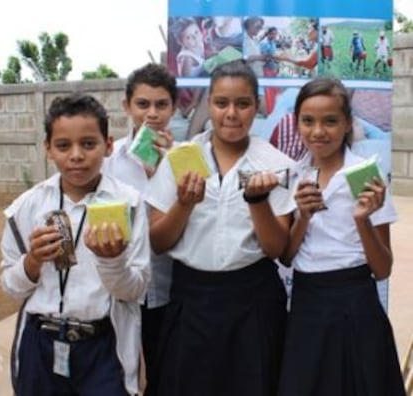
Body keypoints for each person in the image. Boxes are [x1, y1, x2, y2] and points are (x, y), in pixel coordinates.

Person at [145, 59, 296, 396]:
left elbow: (277, 249)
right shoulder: (180, 158)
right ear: (208, 103)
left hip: (252, 300)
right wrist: (183, 204)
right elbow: (157, 241)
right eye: (221, 103)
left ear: (256, 107)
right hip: (191, 299)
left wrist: (257, 202)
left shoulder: (276, 164)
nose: (231, 113)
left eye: (243, 104)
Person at [0, 93, 151, 396]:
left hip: (103, 346)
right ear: (48, 149)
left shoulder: (129, 205)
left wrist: (113, 261)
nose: (76, 155)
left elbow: (135, 290)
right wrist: (31, 263)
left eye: (88, 143)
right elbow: (10, 286)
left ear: (108, 146)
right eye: (63, 145)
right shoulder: (27, 207)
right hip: (40, 343)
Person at [277, 78, 406, 396]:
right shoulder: (294, 173)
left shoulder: (364, 174)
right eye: (308, 121)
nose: (318, 132)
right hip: (307, 302)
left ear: (348, 123)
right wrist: (303, 217)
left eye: (330, 121)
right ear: (297, 123)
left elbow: (382, 269)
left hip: (355, 300)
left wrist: (362, 220)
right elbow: (286, 255)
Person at [103, 63, 177, 390]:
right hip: (119, 287)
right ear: (127, 107)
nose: (152, 113)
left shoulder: (186, 158)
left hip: (170, 285)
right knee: (117, 372)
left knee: (165, 374)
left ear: (174, 107)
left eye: (161, 104)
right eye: (143, 104)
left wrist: (160, 172)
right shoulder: (109, 160)